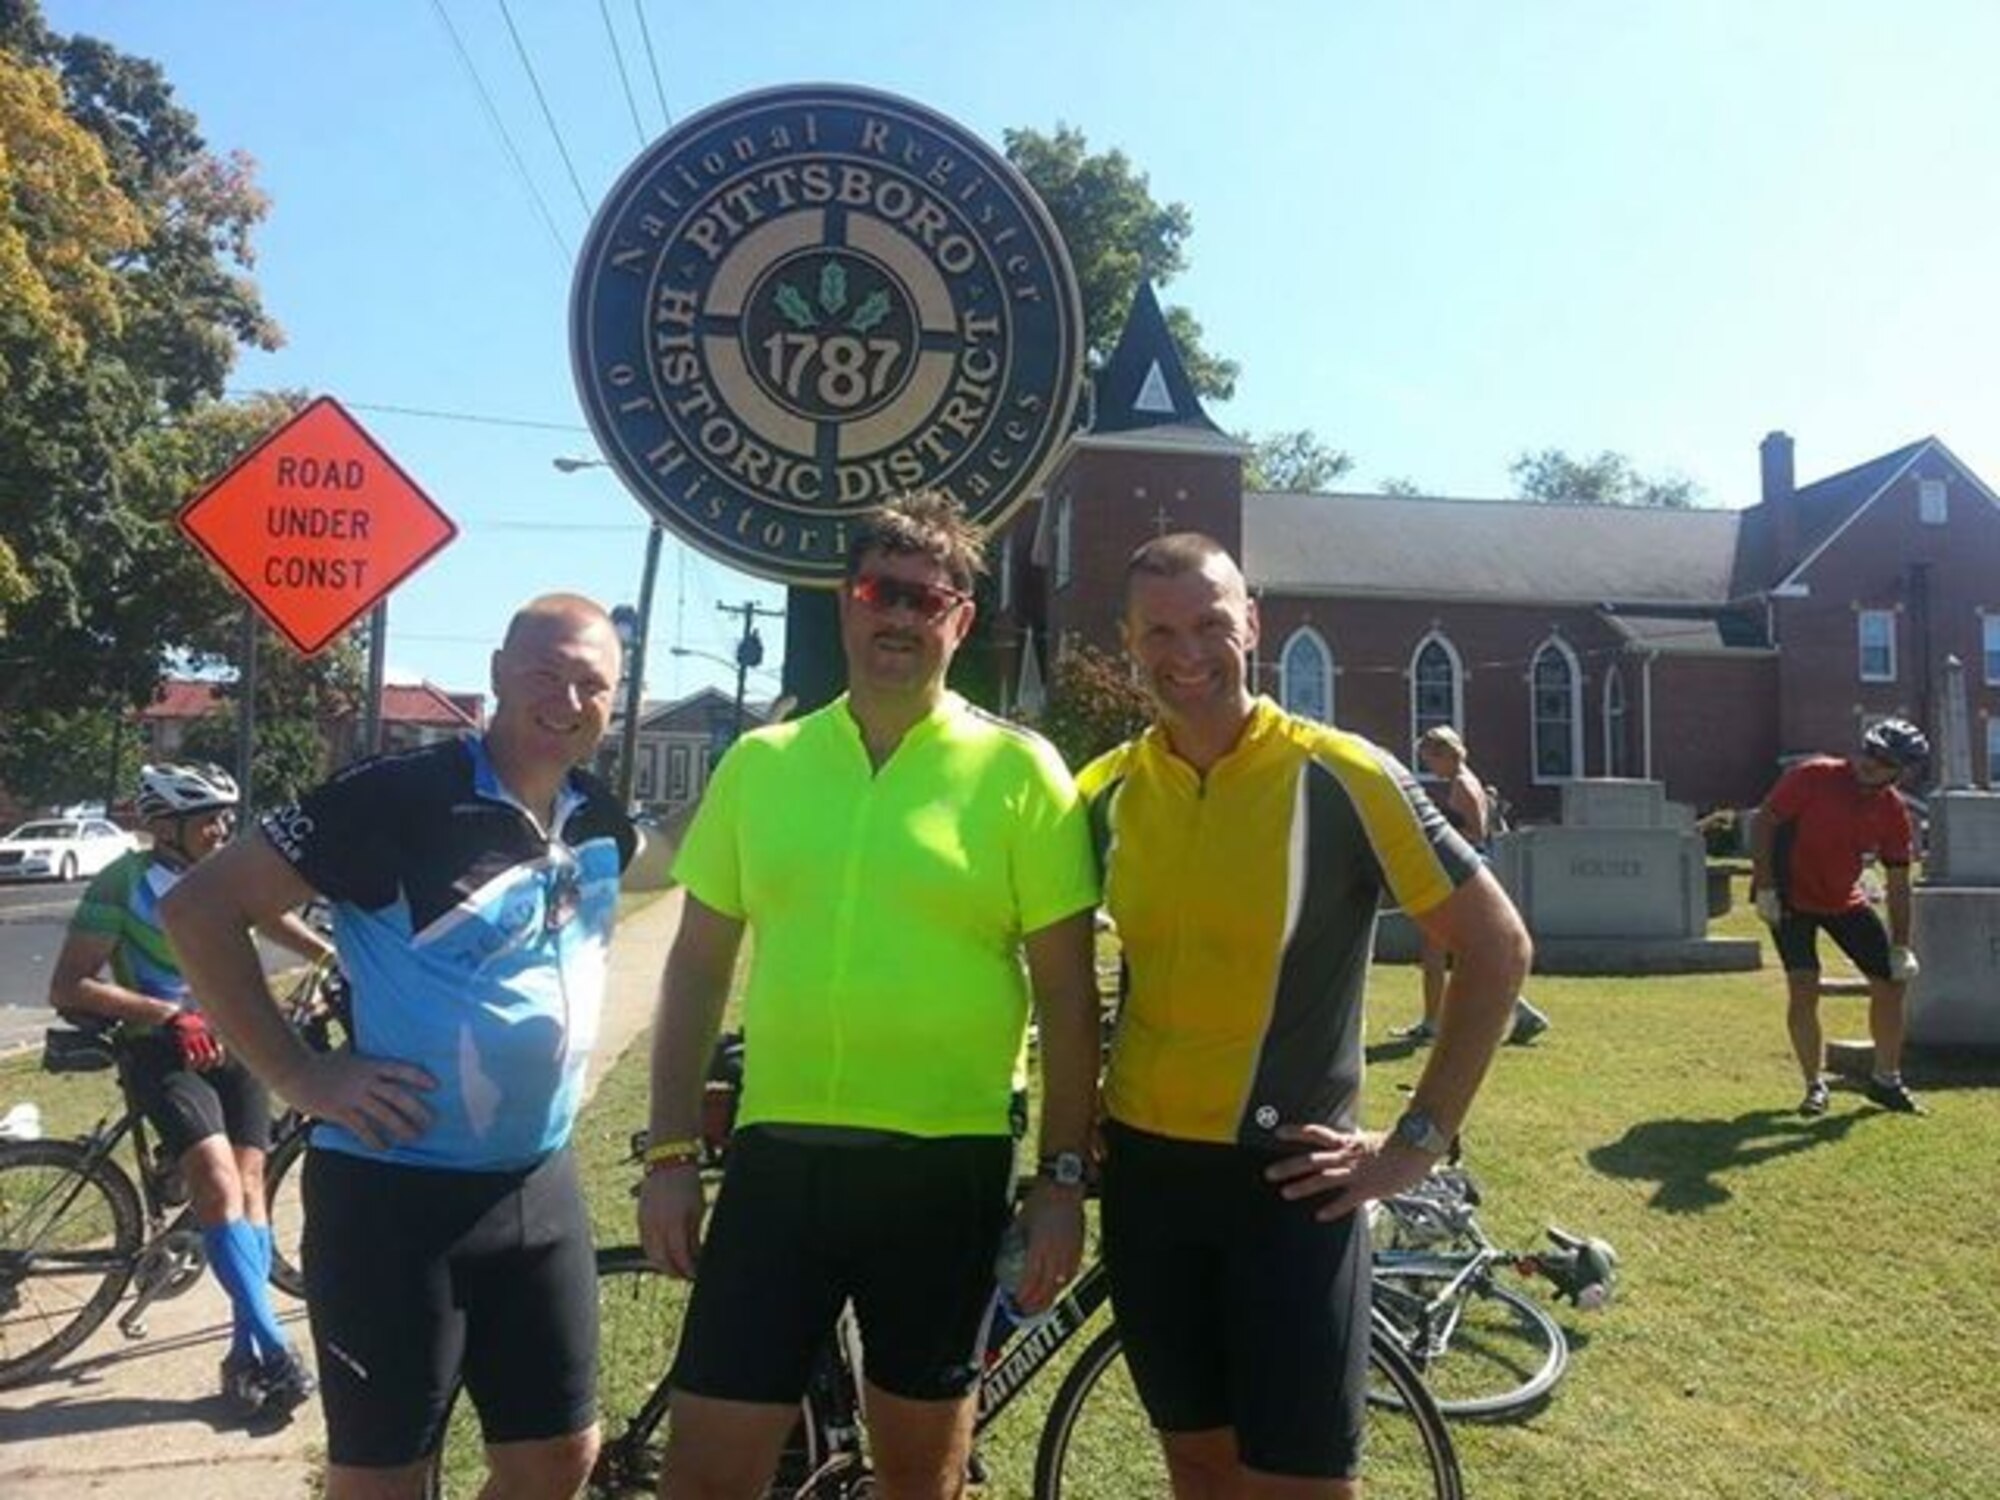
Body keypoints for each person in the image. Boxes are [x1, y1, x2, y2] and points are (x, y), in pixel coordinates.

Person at [640, 492, 1100, 1500]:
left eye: (924, 600)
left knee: (919, 1481)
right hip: (779, 1161)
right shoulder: (762, 764)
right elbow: (696, 970)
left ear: (959, 621)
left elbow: (1068, 998)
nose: (897, 616)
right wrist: (670, 1152)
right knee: (704, 1476)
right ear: (844, 604)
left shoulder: (1022, 772)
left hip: (945, 1168)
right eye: (875, 591)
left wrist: (1060, 1180)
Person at [1076, 533, 1531, 1499]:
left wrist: (1418, 1138)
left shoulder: (1343, 773)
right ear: (1128, 640)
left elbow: (1497, 947)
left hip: (1290, 1186)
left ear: (1253, 622)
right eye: (1158, 630)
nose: (1185, 652)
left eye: (1209, 623)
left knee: (1299, 1485)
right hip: (1146, 1178)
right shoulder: (1104, 792)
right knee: (1196, 1466)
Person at [161, 594, 636, 1500]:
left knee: (557, 1459)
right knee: (384, 1482)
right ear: (497, 671)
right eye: (545, 672)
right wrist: (299, 1071)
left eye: (591, 683)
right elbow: (201, 908)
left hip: (539, 1186)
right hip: (395, 1197)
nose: (567, 699)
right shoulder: (398, 797)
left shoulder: (601, 817)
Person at [49, 761, 332, 1415]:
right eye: (210, 817)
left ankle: (244, 1356)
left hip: (234, 1044)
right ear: (166, 826)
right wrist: (171, 1014)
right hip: (162, 1050)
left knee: (253, 1190)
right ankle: (275, 1349)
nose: (224, 826)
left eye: (227, 815)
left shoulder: (225, 873)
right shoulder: (122, 883)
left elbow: (270, 920)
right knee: (217, 1183)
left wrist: (331, 957)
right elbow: (70, 986)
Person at [1750, 718, 1929, 1117]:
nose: (1872, 762)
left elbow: (1899, 882)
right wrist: (1764, 886)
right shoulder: (1813, 776)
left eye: (1885, 760)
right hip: (1788, 897)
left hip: (1843, 900)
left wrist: (1901, 945)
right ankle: (1815, 1085)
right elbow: (1765, 821)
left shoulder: (1893, 811)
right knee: (1803, 985)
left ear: (1901, 771)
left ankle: (1886, 1080)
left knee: (1891, 982)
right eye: (1870, 751)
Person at [1395, 725, 1551, 1046]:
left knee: (1438, 947)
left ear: (1447, 755)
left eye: (1430, 761)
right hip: (1465, 868)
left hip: (1462, 870)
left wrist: (1439, 833)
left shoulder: (1463, 786)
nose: (1429, 769)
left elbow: (1476, 834)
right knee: (1446, 948)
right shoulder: (1466, 782)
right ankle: (1516, 1013)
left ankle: (1433, 1023)